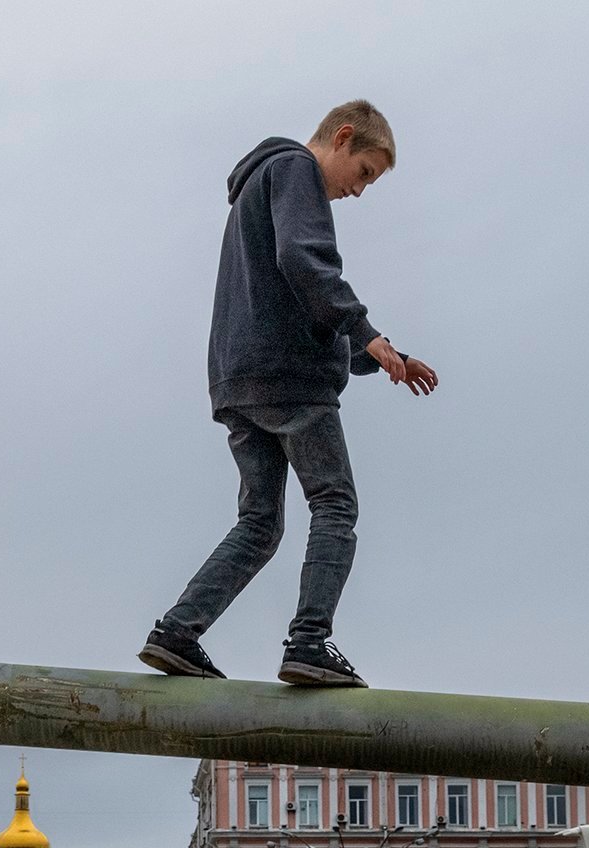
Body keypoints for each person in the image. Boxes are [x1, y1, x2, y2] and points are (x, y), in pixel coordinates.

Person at [139, 100, 437, 693]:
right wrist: (366, 332)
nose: (359, 191)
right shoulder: (296, 168)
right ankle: (309, 642)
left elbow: (296, 297)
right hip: (290, 382)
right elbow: (305, 261)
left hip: (241, 380)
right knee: (335, 503)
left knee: (259, 524)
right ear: (343, 137)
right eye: (364, 173)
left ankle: (176, 632)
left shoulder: (261, 185)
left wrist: (382, 355)